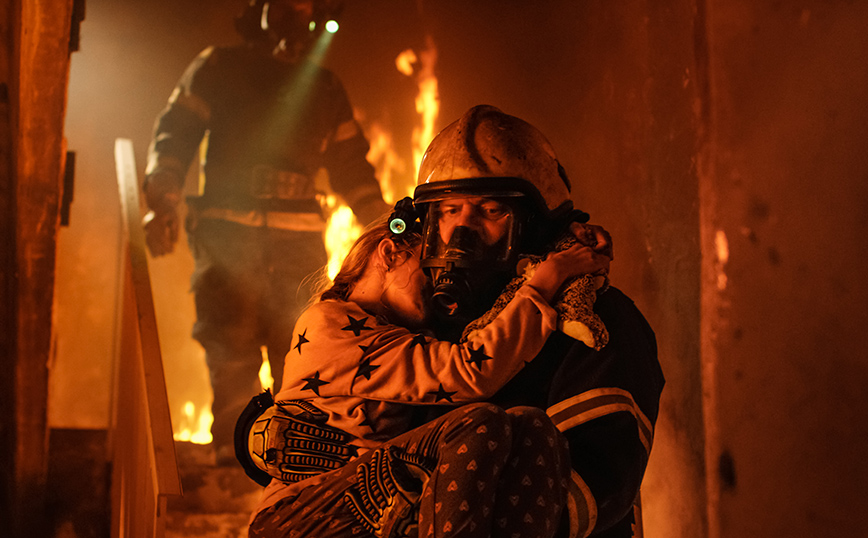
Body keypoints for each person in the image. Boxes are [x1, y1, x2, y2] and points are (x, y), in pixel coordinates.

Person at [244, 211, 611, 537]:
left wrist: (563, 238)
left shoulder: (395, 334)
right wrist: (547, 279)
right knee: (478, 424)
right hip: (299, 516)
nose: (437, 284)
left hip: (367, 504)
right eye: (428, 271)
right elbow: (470, 371)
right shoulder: (330, 322)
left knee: (532, 426)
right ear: (389, 254)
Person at [142, 0, 390, 462]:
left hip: (297, 247)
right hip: (227, 238)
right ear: (257, 9)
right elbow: (174, 133)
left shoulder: (323, 86)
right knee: (229, 346)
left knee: (297, 351)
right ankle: (237, 461)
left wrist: (389, 226)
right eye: (282, 6)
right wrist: (163, 198)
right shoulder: (219, 66)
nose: (294, 16)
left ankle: (289, 462)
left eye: (303, 7)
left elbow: (352, 168)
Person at [410, 105, 665, 538]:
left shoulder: (598, 322)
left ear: (536, 225)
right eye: (450, 211)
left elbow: (596, 482)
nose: (461, 233)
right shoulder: (423, 314)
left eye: (490, 211)